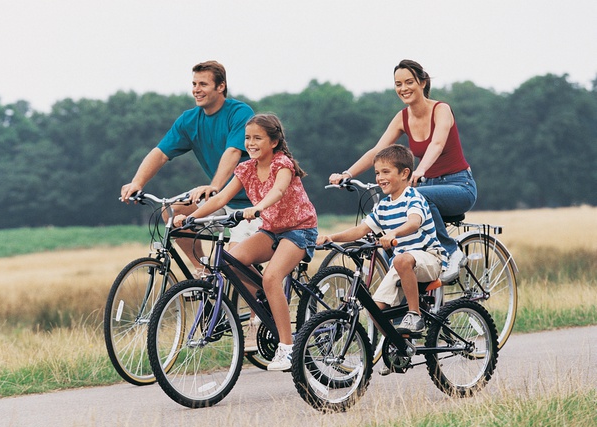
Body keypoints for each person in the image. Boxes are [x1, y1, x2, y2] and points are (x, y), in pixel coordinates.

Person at [174, 113, 318, 371]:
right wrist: (189, 218)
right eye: (247, 138)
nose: (250, 143)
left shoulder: (282, 164)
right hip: (271, 230)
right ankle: (265, 301)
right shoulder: (246, 168)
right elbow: (219, 199)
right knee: (232, 261)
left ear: (273, 142)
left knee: (272, 277)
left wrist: (259, 207)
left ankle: (287, 348)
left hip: (299, 230)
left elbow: (279, 190)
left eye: (257, 138)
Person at [329, 59, 477, 283]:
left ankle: (451, 251)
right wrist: (347, 174)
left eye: (409, 82)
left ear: (422, 82)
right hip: (426, 187)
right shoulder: (402, 117)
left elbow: (437, 144)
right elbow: (378, 151)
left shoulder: (441, 109)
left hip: (459, 185)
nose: (403, 88)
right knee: (396, 216)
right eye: (398, 84)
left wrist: (421, 170)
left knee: (419, 197)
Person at [120, 60, 259, 272]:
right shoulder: (189, 120)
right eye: (194, 84)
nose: (196, 90)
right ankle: (202, 270)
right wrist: (137, 182)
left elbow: (232, 152)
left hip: (253, 203)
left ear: (220, 86)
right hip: (222, 199)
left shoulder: (239, 112)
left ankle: (261, 303)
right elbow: (160, 153)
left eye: (202, 84)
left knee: (236, 266)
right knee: (172, 212)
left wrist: (214, 187)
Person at [317, 144, 446, 335]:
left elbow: (414, 222)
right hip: (402, 265)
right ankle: (399, 349)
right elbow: (361, 230)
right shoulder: (383, 206)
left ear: (404, 174)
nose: (380, 178)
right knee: (374, 310)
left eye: (386, 172)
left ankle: (415, 314)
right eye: (377, 173)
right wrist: (332, 237)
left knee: (401, 259)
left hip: (429, 258)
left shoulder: (413, 198)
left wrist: (394, 233)